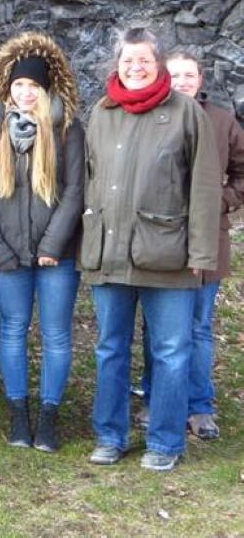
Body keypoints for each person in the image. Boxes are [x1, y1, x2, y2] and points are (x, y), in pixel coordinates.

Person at [82, 27, 220, 472]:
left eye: (143, 59)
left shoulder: (185, 113)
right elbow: (88, 181)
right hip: (110, 255)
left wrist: (201, 256)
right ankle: (110, 435)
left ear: (157, 62)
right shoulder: (102, 112)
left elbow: (203, 188)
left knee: (171, 352)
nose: (135, 67)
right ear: (116, 64)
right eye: (127, 60)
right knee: (109, 349)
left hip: (169, 256)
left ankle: (165, 441)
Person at [0, 32, 84, 452]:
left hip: (56, 256)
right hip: (7, 256)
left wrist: (53, 245)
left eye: (33, 87)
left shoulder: (67, 131)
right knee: (13, 330)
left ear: (46, 90)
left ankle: (49, 416)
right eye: (18, 85)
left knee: (56, 334)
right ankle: (19, 415)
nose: (24, 93)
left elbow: (74, 192)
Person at [132, 48, 243, 442]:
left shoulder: (222, 122)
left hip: (207, 243)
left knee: (197, 327)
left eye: (188, 76)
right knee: (156, 328)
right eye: (174, 75)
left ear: (200, 81)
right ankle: (154, 397)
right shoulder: (149, 116)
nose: (181, 82)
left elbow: (241, 173)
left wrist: (222, 201)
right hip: (158, 242)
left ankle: (199, 406)